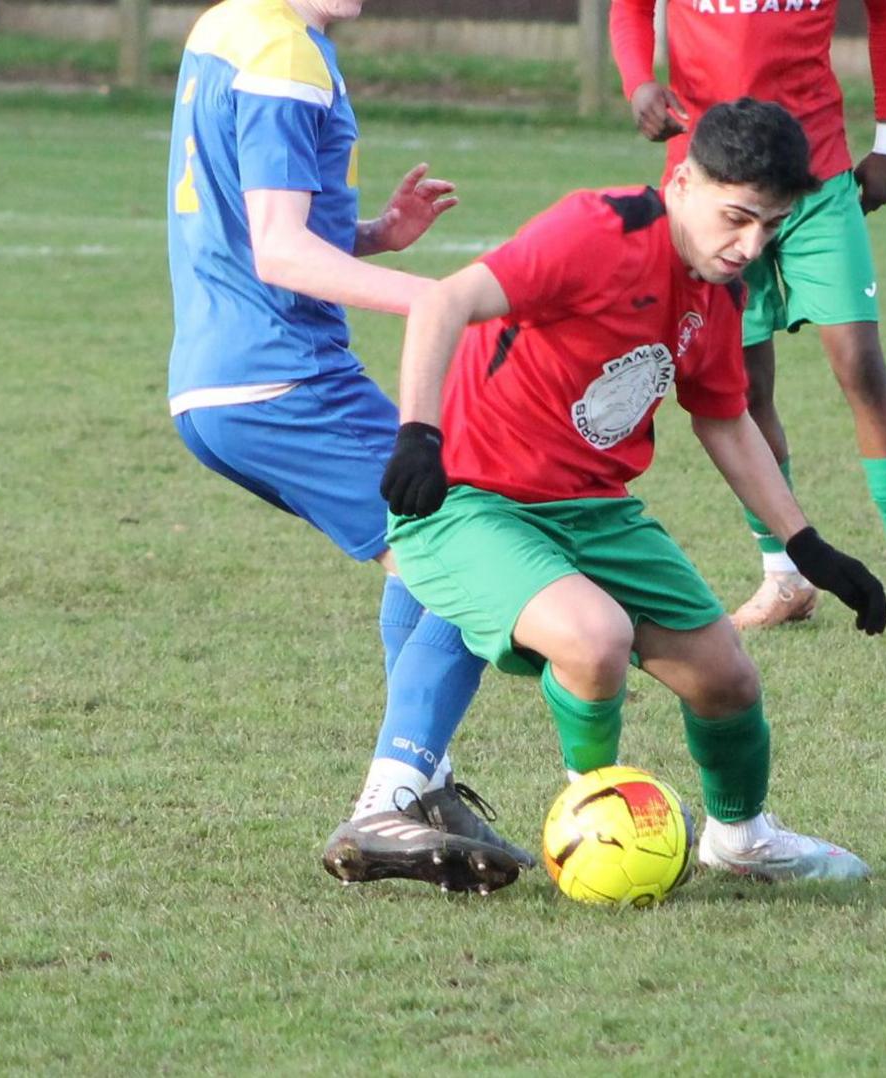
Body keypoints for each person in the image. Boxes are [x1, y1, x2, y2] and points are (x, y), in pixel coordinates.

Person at [379, 99, 884, 885]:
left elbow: (724, 419)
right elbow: (443, 300)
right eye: (738, 216)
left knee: (727, 678)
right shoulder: (597, 230)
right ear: (682, 181)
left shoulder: (721, 288)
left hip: (593, 509)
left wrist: (804, 542)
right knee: (595, 639)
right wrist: (419, 433)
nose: (750, 244)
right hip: (470, 500)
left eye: (771, 226)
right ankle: (594, 819)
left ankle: (741, 837)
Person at [165, 0, 532, 894]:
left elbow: (248, 217)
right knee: (476, 544)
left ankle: (423, 786)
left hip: (226, 381)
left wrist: (374, 238)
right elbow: (281, 254)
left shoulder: (236, 28)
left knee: (421, 551)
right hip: (279, 381)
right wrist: (435, 298)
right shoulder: (283, 54)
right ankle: (390, 797)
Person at [610, 0, 886, 645]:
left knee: (858, 362)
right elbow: (630, 9)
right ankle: (784, 576)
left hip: (815, 179)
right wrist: (638, 82)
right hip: (713, 187)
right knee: (737, 388)